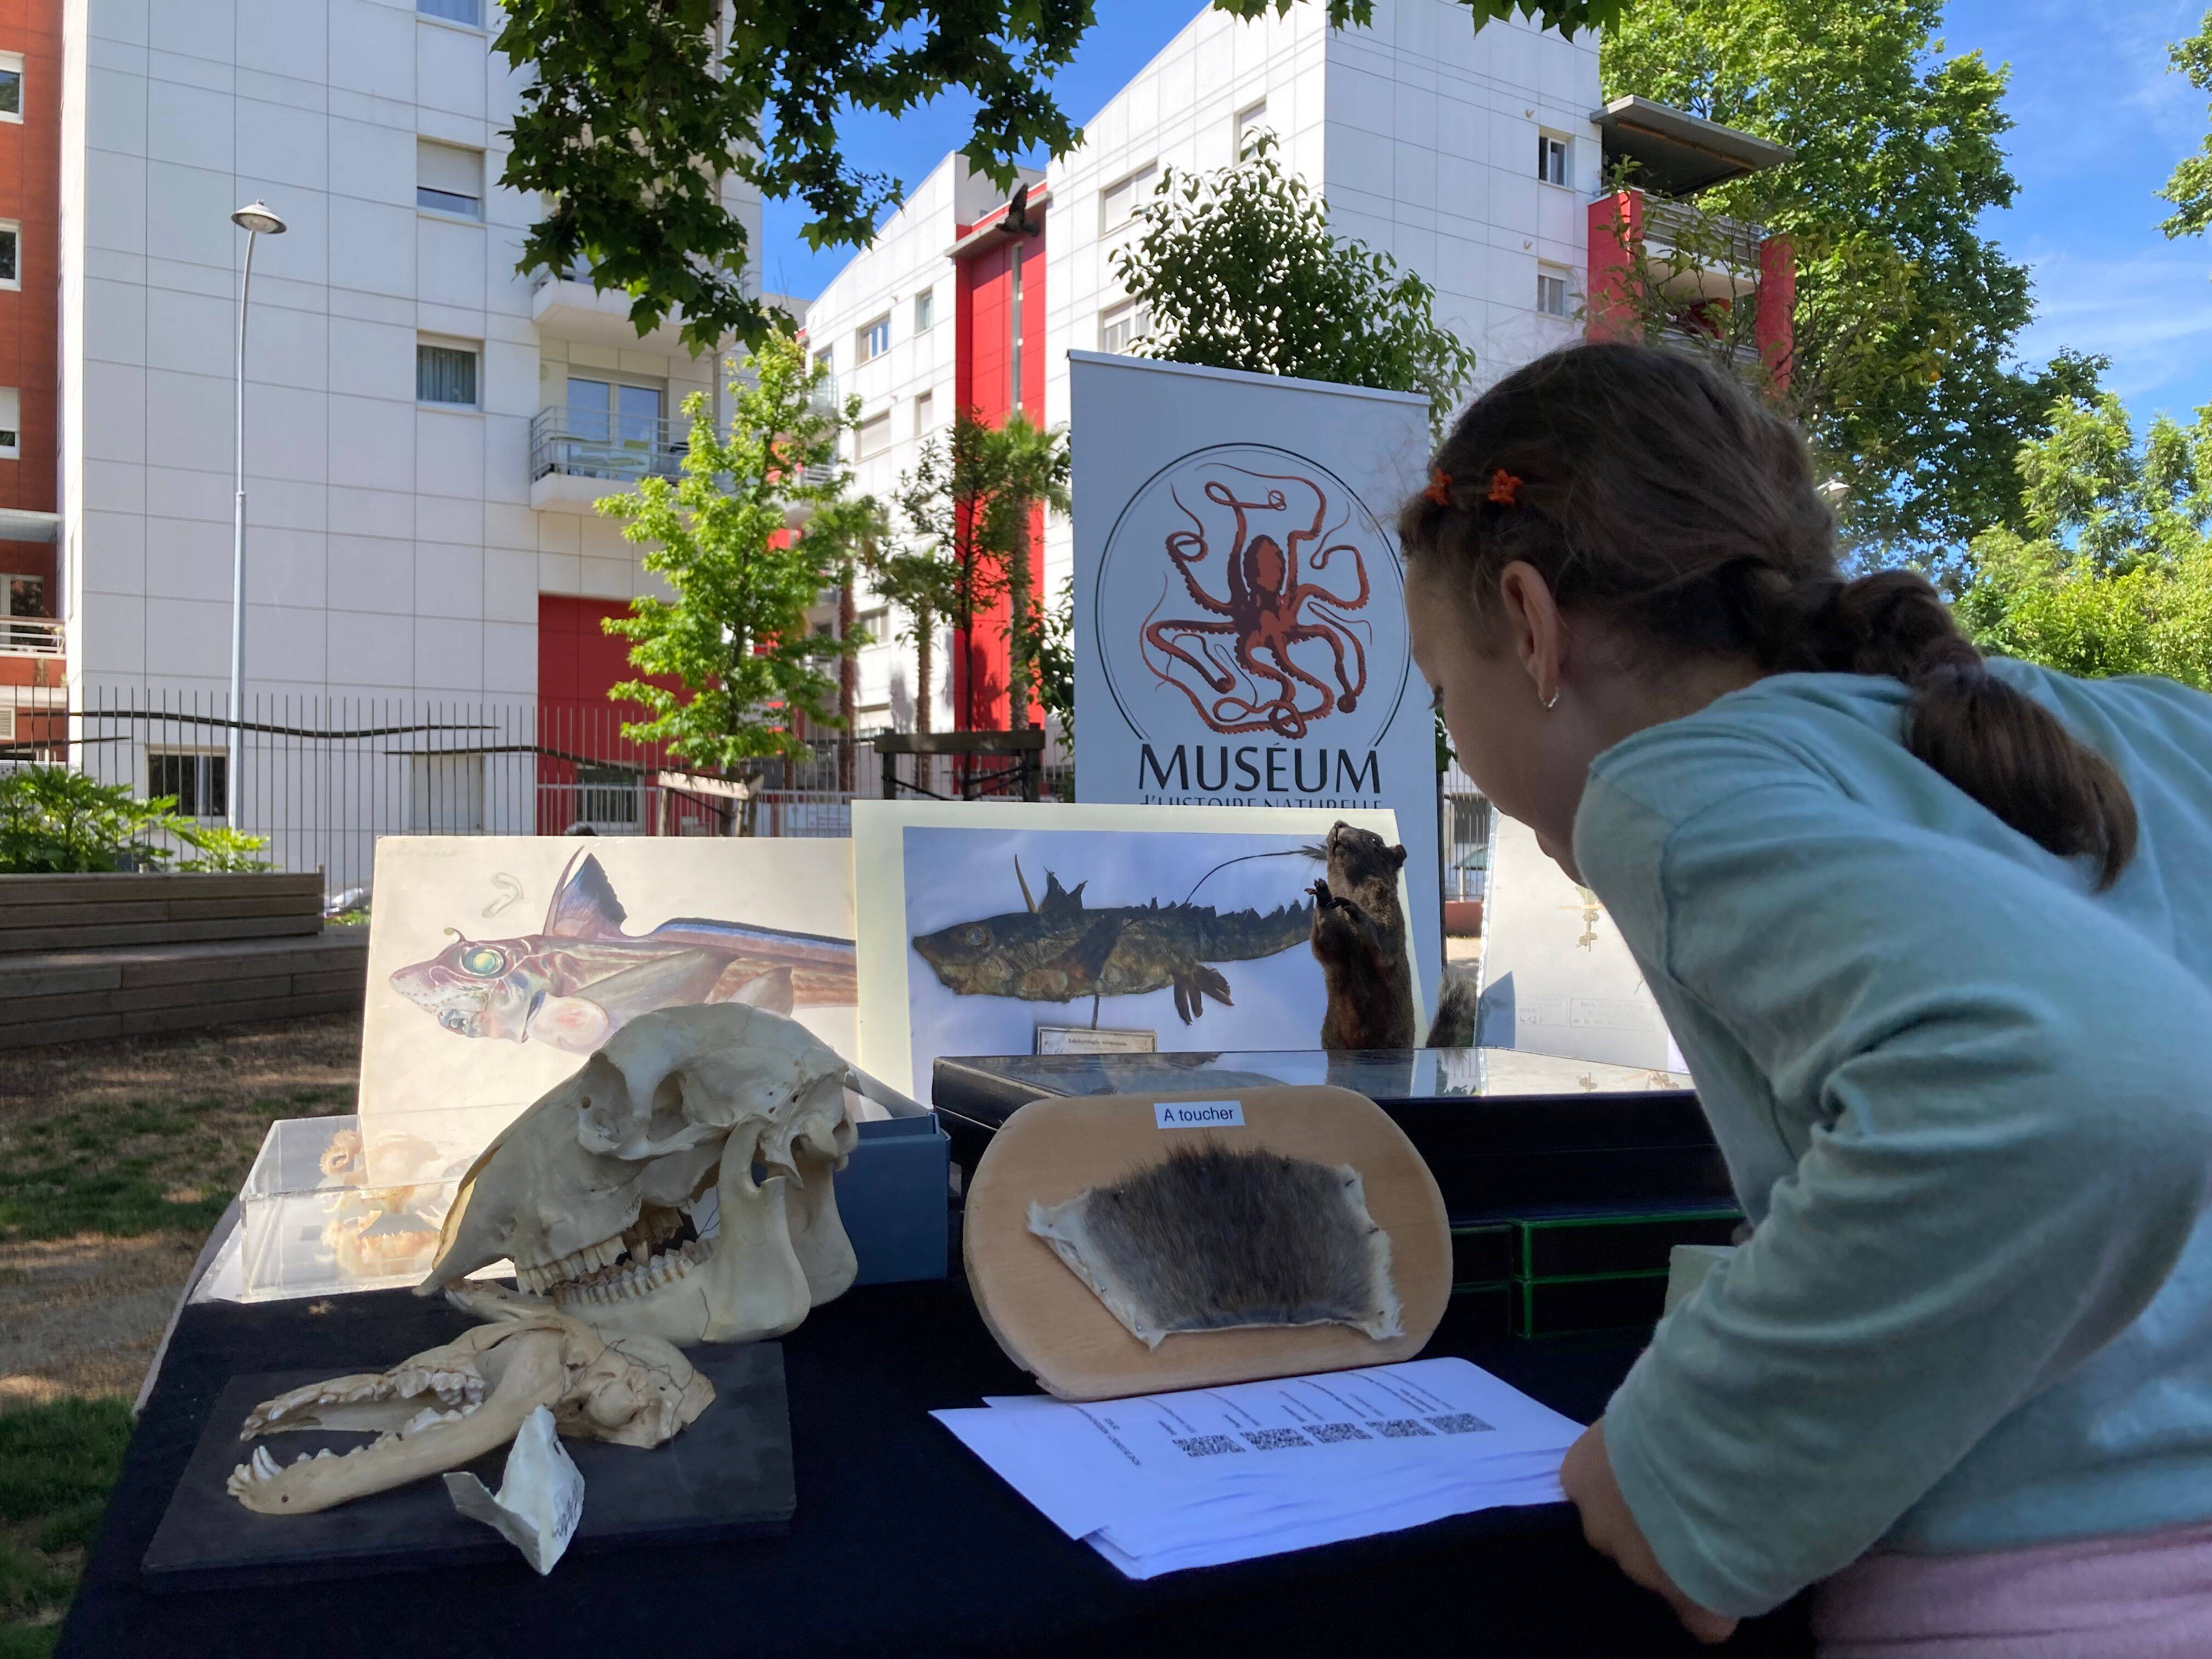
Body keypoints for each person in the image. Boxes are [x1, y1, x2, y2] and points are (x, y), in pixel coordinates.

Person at [1400, 341, 2212, 1655]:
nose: (1456, 735)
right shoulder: (2163, 728)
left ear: (1532, 625)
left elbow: (2094, 1088)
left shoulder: (1671, 787)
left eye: (1441, 691)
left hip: (2047, 1598)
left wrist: (1695, 1466)